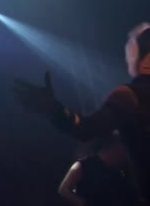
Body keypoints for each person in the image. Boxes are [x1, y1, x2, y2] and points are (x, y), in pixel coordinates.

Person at [14, 22, 150, 204]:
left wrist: (53, 109)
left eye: (130, 52)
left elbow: (85, 129)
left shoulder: (130, 96)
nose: (127, 59)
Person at [58, 134, 135, 206]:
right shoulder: (83, 165)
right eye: (122, 148)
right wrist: (85, 203)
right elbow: (63, 190)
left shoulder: (118, 170)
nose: (125, 152)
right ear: (112, 147)